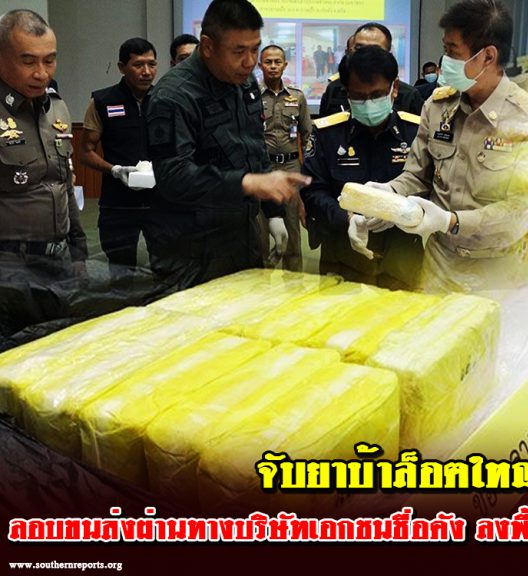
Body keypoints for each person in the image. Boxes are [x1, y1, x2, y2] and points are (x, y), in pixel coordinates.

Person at [358, 0, 524, 293]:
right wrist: (387, 195)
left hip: (498, 271)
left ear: (488, 56)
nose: (444, 61)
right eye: (444, 49)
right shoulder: (437, 106)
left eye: (452, 52)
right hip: (439, 264)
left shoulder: (526, 120)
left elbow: (522, 210)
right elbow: (416, 176)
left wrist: (451, 221)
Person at [144, 0, 309, 291]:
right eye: (239, 51)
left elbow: (255, 149)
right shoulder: (174, 96)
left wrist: (273, 212)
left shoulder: (243, 84)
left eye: (255, 49)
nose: (250, 61)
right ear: (208, 46)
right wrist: (248, 183)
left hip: (242, 235)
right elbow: (173, 176)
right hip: (190, 249)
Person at [302, 46, 423, 289]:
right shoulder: (327, 134)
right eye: (359, 97)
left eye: (377, 95)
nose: (368, 104)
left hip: (402, 257)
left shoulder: (416, 132)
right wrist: (347, 218)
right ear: (347, 93)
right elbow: (313, 191)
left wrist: (403, 212)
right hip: (343, 257)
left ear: (394, 88)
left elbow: (430, 185)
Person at [0, 9, 88, 334]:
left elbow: (64, 183)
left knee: (58, 345)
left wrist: (78, 252)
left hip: (57, 262)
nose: (41, 73)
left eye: (49, 61)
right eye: (28, 61)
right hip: (8, 267)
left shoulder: (57, 108)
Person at [80, 37, 157, 284]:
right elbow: (86, 151)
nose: (147, 72)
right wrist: (115, 170)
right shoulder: (103, 101)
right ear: (122, 67)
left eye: (152, 64)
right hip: (118, 202)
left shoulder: (166, 99)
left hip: (161, 202)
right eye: (138, 65)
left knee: (167, 268)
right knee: (121, 273)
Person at [257, 44, 312, 272]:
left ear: (285, 65)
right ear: (260, 65)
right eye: (268, 62)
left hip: (290, 167)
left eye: (277, 62)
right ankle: (261, 278)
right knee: (261, 227)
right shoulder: (251, 97)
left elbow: (307, 136)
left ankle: (294, 280)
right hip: (263, 168)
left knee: (291, 227)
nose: (273, 66)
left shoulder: (297, 97)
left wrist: (306, 169)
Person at [318, 23, 424, 117]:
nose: (366, 55)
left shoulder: (409, 95)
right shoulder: (334, 89)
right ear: (349, 51)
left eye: (375, 49)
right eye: (359, 48)